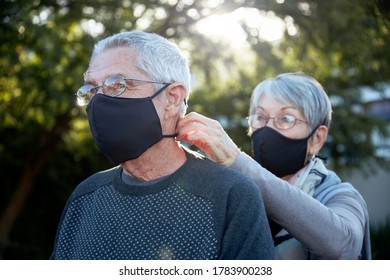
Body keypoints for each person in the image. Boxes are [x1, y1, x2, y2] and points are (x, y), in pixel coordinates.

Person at [51, 31, 275, 260]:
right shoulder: (85, 197)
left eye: (116, 84)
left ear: (173, 98)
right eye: (91, 89)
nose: (98, 101)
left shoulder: (231, 195)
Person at [178, 72, 371, 260]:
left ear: (317, 138)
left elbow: (342, 247)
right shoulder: (234, 192)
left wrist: (236, 160)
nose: (267, 129)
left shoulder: (339, 195)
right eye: (260, 118)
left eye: (286, 119)